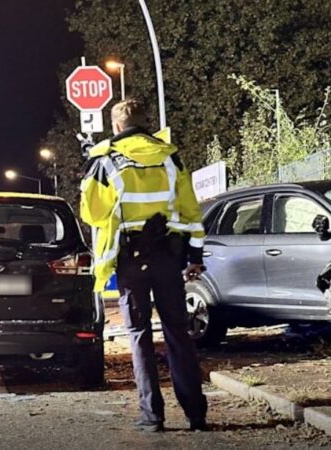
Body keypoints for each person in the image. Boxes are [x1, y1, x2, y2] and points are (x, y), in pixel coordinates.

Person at [80, 98, 208, 432]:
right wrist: (195, 257)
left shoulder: (105, 160)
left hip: (131, 259)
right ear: (144, 122)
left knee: (139, 335)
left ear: (117, 126)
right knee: (178, 333)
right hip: (167, 256)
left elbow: (92, 213)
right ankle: (196, 415)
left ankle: (152, 417)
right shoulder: (170, 157)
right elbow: (191, 211)